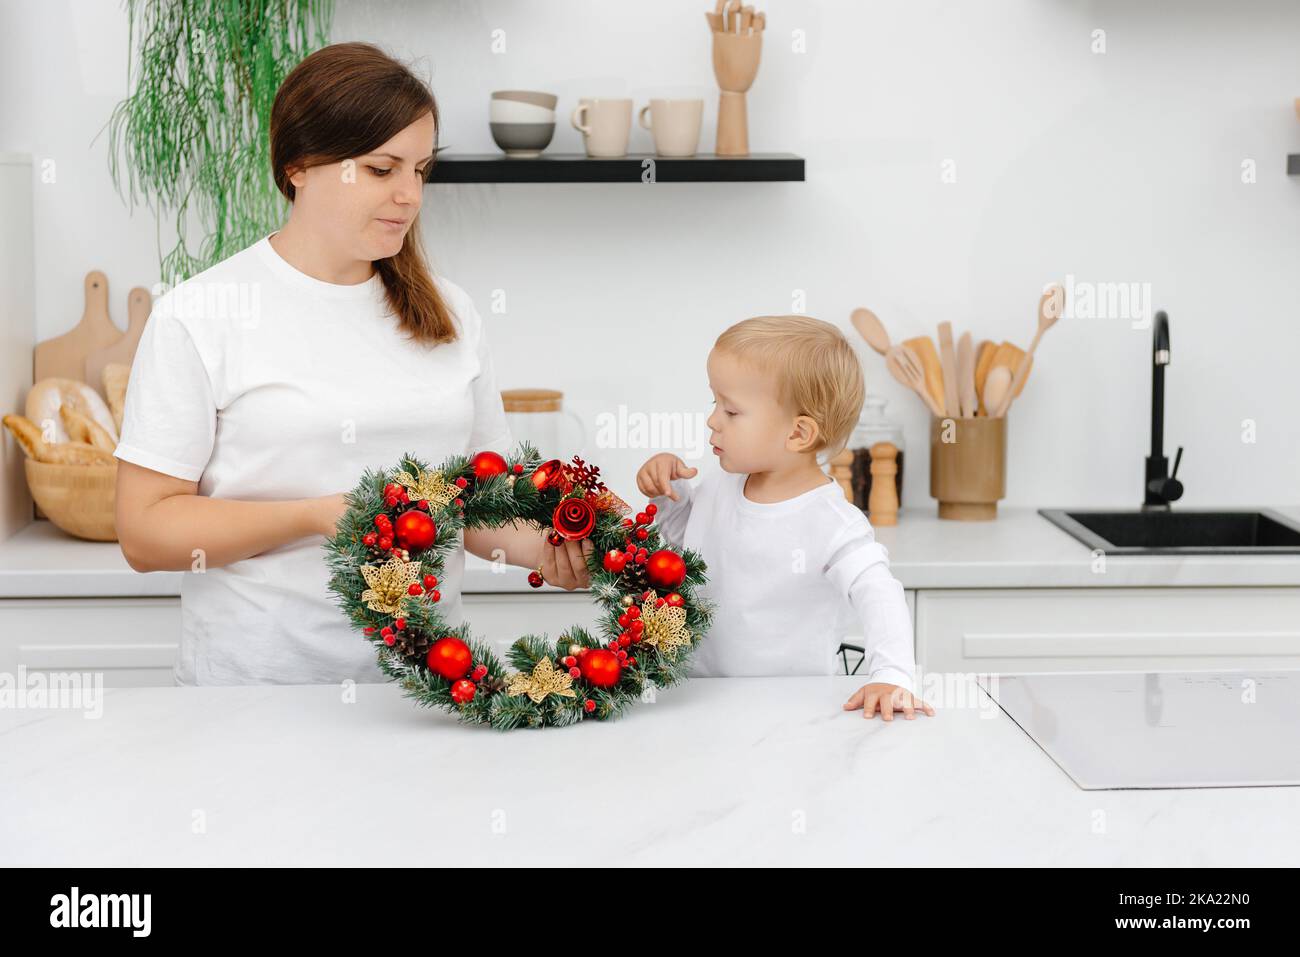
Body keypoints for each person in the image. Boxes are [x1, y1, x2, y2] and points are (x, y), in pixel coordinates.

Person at [113, 42, 592, 686]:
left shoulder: (449, 311)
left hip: (430, 692)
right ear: (300, 167)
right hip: (255, 695)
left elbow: (479, 505)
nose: (409, 195)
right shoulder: (201, 314)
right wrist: (315, 515)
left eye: (420, 170)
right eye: (380, 169)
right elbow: (145, 535)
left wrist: (566, 546)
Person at [636, 315, 934, 721]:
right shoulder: (721, 485)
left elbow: (878, 592)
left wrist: (893, 674)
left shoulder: (831, 520)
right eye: (714, 404)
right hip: (697, 702)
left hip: (792, 712)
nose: (712, 420)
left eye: (731, 411)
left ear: (798, 434)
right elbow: (688, 551)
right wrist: (669, 496)